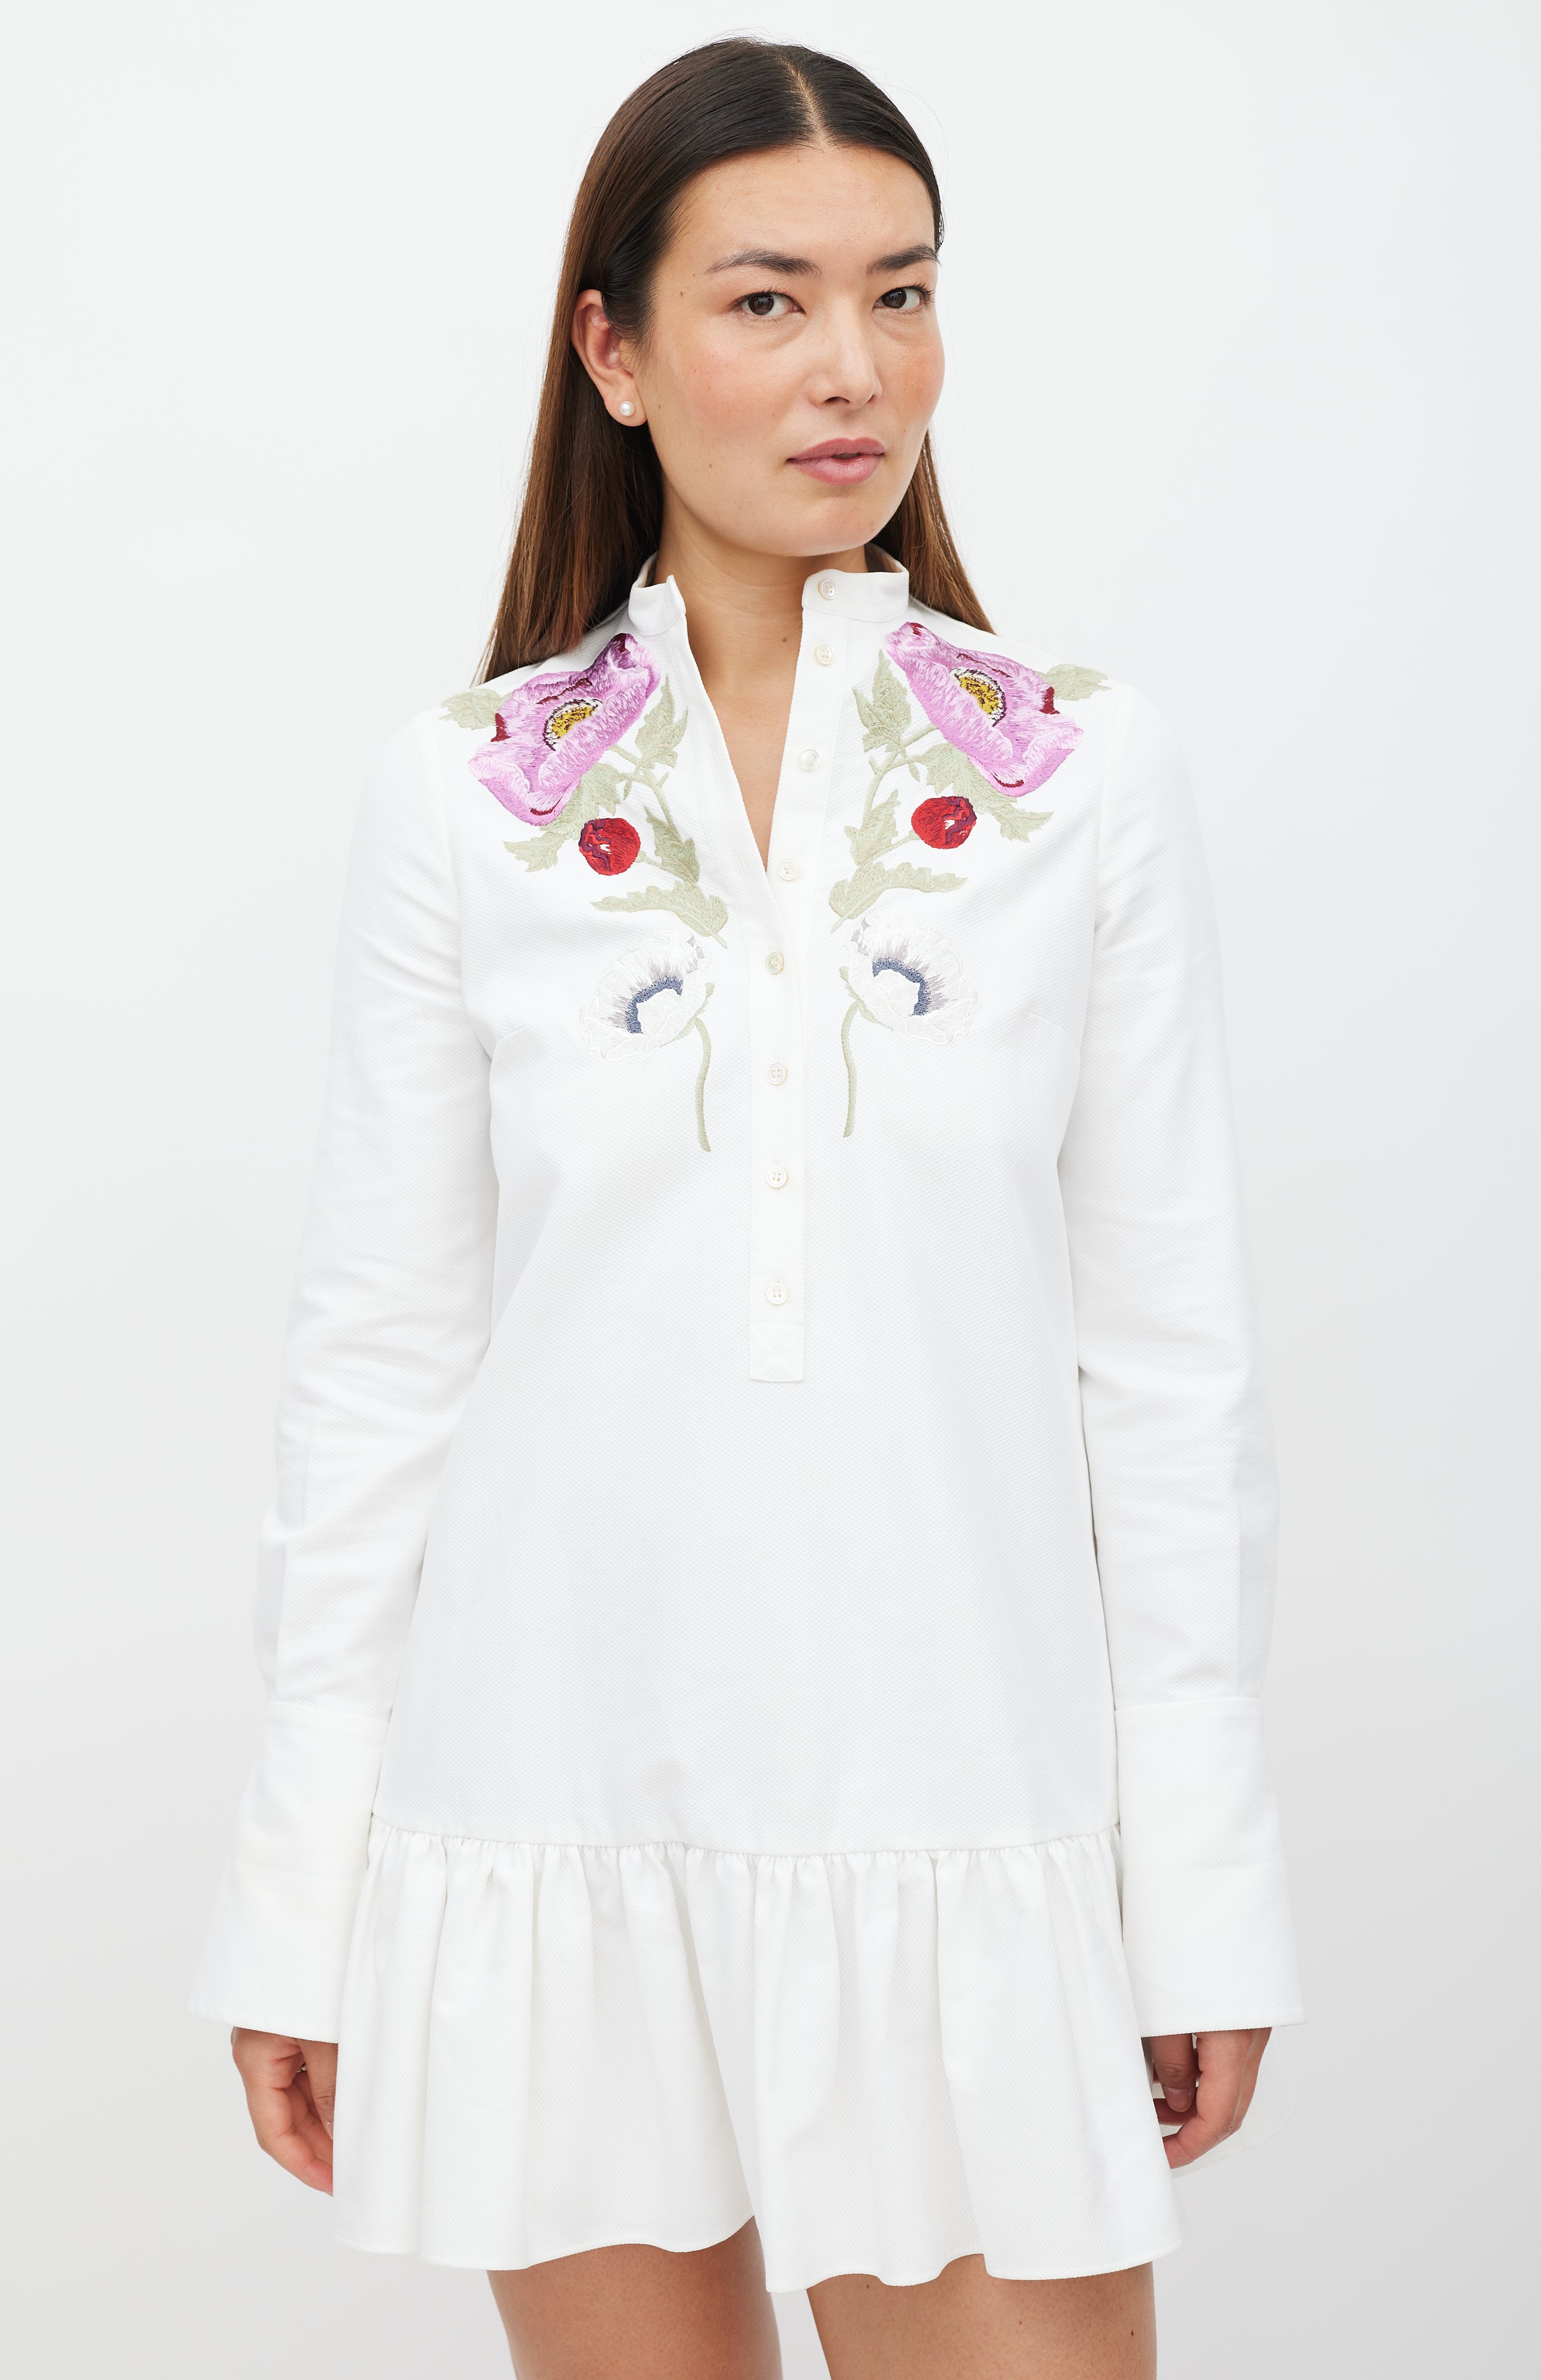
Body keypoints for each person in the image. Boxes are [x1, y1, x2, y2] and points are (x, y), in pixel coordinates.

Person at [192, 37, 1302, 2380]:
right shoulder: (472, 795)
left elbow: (1168, 1376)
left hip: (960, 1804)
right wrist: (299, 1904)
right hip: (551, 1812)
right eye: (768, 299)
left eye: (901, 294)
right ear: (612, 350)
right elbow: (377, 1372)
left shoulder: (1075, 775)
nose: (852, 370)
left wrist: (1198, 1898)